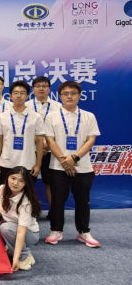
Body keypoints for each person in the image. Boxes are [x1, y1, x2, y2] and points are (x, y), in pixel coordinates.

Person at [44, 81, 101, 248]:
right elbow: (50, 140)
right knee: (57, 200)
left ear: (79, 95)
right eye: (65, 94)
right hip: (58, 166)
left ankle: (84, 231)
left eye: (73, 93)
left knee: (83, 200)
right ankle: (56, 230)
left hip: (82, 166)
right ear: (60, 96)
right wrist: (65, 162)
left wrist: (74, 158)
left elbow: (90, 140)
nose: (69, 96)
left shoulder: (89, 116)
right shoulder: (51, 116)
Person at [0, 81, 45, 183]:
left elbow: (40, 141)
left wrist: (38, 164)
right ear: (10, 96)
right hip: (6, 163)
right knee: (6, 191)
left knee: (27, 192)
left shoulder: (36, 117)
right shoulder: (2, 116)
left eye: (22, 93)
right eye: (16, 93)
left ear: (27, 96)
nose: (19, 96)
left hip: (28, 163)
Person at [26, 76, 62, 218]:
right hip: (30, 150)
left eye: (44, 86)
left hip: (51, 150)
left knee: (50, 182)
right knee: (28, 182)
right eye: (38, 86)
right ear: (33, 89)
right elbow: (22, 129)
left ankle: (54, 213)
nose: (41, 89)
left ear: (49, 89)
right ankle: (29, 213)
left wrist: (48, 144)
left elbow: (61, 129)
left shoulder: (58, 106)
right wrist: (40, 142)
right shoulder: (26, 106)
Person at [0, 166, 42, 271]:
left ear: (26, 184)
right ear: (8, 177)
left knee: (5, 228)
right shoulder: (2, 188)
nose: (15, 183)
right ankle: (10, 245)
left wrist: (16, 258)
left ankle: (25, 256)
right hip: (10, 225)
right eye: (13, 178)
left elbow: (21, 232)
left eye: (21, 181)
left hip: (29, 234)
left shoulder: (26, 203)